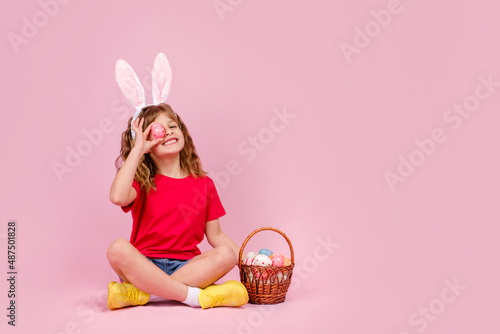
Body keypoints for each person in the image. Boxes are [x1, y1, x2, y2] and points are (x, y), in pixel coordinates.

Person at [106, 102, 249, 310]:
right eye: (157, 130)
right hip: (145, 265)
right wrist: (138, 150)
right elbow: (118, 197)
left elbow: (216, 235)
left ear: (182, 132)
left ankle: (146, 294)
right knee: (117, 249)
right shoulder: (141, 181)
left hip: (188, 266)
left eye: (172, 126)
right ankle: (194, 296)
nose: (167, 132)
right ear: (145, 141)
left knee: (226, 254)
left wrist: (248, 262)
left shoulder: (204, 184)